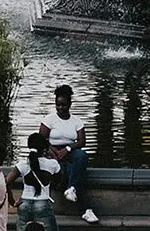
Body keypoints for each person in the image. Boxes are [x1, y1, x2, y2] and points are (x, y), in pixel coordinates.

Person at [40, 84, 98, 224]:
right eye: (58, 105)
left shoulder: (76, 121)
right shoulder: (50, 119)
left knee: (82, 157)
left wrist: (68, 149)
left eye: (64, 105)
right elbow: (41, 140)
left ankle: (71, 189)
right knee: (74, 172)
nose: (60, 108)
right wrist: (52, 151)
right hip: (52, 152)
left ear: (70, 104)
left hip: (70, 151)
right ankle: (86, 209)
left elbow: (82, 141)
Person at [9, 131, 61, 231]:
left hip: (24, 202)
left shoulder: (23, 164)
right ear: (45, 148)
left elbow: (6, 182)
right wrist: (52, 155)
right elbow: (59, 180)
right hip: (43, 203)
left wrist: (12, 201)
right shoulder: (52, 164)